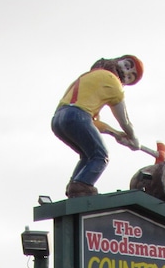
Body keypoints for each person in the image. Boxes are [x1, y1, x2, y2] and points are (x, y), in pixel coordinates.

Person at [52, 55, 143, 198]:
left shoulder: (88, 77)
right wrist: (133, 138)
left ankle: (75, 186)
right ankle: (81, 186)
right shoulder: (112, 81)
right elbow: (124, 120)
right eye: (128, 65)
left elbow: (93, 123)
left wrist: (116, 134)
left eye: (130, 76)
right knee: (101, 156)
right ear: (119, 60)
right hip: (77, 116)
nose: (127, 72)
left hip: (59, 119)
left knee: (88, 155)